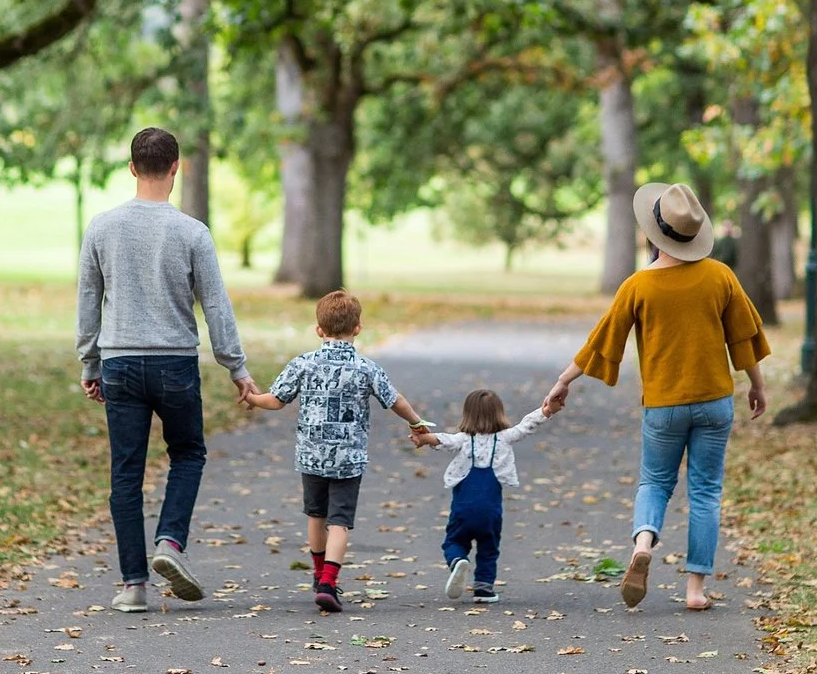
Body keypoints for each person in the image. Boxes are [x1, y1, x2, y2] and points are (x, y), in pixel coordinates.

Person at [542, 182, 770, 612]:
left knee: (655, 482)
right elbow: (744, 337)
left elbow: (602, 341)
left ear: (654, 232)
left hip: (664, 406)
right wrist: (757, 385)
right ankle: (696, 590)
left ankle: (643, 544)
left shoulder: (638, 286)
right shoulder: (720, 276)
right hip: (715, 402)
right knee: (704, 491)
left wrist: (564, 380)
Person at [78, 126, 254, 614]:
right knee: (189, 455)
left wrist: (90, 361)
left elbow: (88, 301)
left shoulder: (101, 227)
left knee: (126, 473)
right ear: (176, 168)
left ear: (132, 168)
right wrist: (236, 368)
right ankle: (170, 543)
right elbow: (216, 307)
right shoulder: (193, 233)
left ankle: (133, 584)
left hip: (119, 362)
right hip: (175, 363)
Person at [245, 289, 436, 615]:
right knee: (340, 522)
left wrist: (250, 397)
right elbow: (396, 401)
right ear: (358, 328)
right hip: (348, 459)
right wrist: (418, 423)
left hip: (311, 456)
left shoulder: (303, 363)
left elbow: (275, 400)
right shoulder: (366, 368)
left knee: (316, 515)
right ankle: (329, 583)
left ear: (319, 330)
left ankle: (319, 576)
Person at [416, 388, 549, 602]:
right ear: (499, 413)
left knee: (453, 541)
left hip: (463, 510)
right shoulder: (504, 439)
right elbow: (526, 426)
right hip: (491, 512)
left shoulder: (463, 440)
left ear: (467, 414)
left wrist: (424, 438)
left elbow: (444, 440)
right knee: (489, 547)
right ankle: (484, 588)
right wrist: (545, 411)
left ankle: (457, 560)